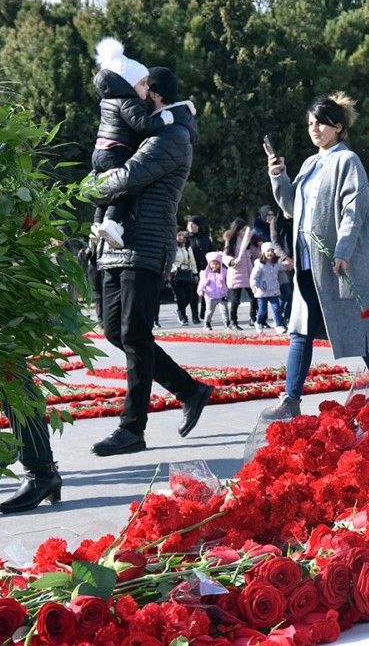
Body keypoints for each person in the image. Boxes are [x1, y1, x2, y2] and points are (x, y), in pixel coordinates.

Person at [92, 66, 214, 455]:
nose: (136, 95)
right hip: (120, 246)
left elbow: (127, 178)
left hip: (145, 246)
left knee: (134, 334)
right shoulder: (147, 133)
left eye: (142, 89)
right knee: (116, 331)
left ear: (154, 96)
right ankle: (190, 390)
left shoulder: (172, 136)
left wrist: (86, 189)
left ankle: (132, 428)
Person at [266, 93, 369, 416]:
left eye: (320, 122)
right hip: (308, 263)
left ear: (337, 126)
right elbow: (292, 208)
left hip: (337, 265)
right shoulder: (310, 164)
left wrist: (343, 249)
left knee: (363, 331)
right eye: (310, 123)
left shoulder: (347, 161)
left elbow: (354, 210)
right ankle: (291, 399)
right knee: (300, 331)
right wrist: (278, 176)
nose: (314, 128)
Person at [89, 38, 173, 249]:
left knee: (102, 188)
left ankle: (96, 224)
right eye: (143, 84)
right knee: (121, 187)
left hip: (99, 151)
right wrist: (164, 119)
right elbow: (143, 125)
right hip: (117, 151)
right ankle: (112, 222)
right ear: (128, 84)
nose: (146, 90)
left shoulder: (106, 101)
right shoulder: (129, 101)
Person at [223, 218, 259, 330]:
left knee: (254, 297)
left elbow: (254, 252)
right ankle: (233, 321)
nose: (245, 232)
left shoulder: (247, 241)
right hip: (236, 273)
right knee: (235, 300)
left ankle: (253, 318)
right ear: (237, 230)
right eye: (243, 230)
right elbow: (225, 256)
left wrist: (263, 249)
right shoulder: (231, 241)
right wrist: (232, 261)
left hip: (249, 273)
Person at [250, 242, 286, 333]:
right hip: (262, 291)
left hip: (274, 290)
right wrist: (254, 286)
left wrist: (289, 264)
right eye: (268, 251)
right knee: (262, 310)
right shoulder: (259, 265)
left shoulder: (276, 263)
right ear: (263, 252)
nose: (270, 253)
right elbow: (254, 277)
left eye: (272, 251)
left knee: (276, 308)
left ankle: (278, 326)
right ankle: (258, 322)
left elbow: (283, 267)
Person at [186, 215, 214, 322]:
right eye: (189, 224)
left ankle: (204, 312)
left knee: (206, 292)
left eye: (192, 224)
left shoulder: (204, 237)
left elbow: (211, 251)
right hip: (192, 269)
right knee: (193, 294)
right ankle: (194, 316)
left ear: (198, 226)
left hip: (205, 269)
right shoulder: (186, 238)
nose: (190, 226)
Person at [170, 229, 198, 326]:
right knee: (180, 296)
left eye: (182, 235)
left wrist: (195, 274)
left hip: (187, 273)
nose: (181, 237)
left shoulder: (187, 246)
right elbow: (170, 260)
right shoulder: (173, 247)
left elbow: (192, 260)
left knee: (189, 295)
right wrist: (173, 269)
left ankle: (179, 310)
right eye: (179, 235)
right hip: (176, 274)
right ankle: (183, 317)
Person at [197, 251, 229, 330]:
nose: (214, 266)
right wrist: (201, 290)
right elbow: (202, 283)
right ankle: (207, 323)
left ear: (220, 264)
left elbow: (230, 275)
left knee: (224, 310)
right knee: (209, 311)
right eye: (212, 264)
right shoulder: (206, 273)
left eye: (216, 264)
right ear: (209, 264)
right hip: (210, 295)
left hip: (222, 294)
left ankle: (227, 324)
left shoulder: (224, 272)